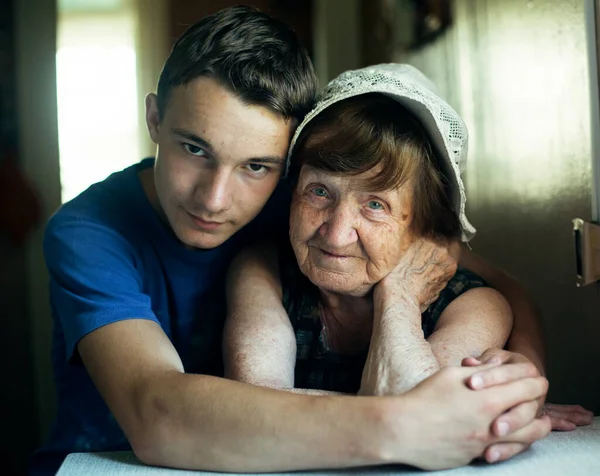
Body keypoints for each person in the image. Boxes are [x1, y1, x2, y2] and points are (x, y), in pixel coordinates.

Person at [30, 6, 589, 476]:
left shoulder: (304, 205)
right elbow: (157, 416)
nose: (215, 198)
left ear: (288, 160)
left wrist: (518, 383)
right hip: (109, 462)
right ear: (154, 117)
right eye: (193, 148)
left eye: (256, 164)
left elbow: (495, 281)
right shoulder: (89, 233)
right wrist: (408, 421)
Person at [224, 66, 517, 397]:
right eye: (319, 191)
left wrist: (400, 296)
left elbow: (414, 424)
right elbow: (260, 407)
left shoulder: (474, 306)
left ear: (423, 224)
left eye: (375, 205)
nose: (336, 234)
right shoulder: (264, 272)